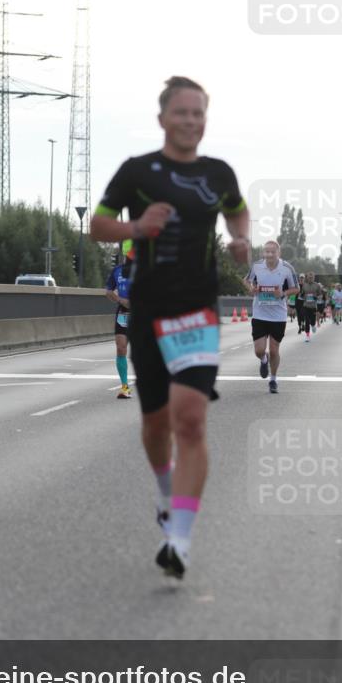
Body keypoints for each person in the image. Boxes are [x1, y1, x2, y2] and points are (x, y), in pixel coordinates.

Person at [90, 76, 249, 579]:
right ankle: (165, 492)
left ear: (206, 118)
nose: (190, 121)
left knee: (191, 419)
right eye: (181, 112)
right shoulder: (139, 172)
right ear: (163, 119)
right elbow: (97, 224)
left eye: (198, 112)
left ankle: (178, 538)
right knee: (157, 423)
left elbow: (238, 214)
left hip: (197, 312)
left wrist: (241, 241)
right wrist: (136, 228)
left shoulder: (218, 173)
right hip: (148, 313)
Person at [244, 240, 297, 394]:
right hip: (260, 314)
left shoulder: (287, 268)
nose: (269, 254)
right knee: (259, 351)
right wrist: (251, 289)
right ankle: (263, 360)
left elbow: (296, 288)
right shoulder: (257, 266)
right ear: (263, 253)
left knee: (274, 351)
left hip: (278, 316)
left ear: (278, 253)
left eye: (272, 252)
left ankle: (273, 379)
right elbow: (246, 281)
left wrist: (283, 293)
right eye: (266, 251)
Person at [105, 240, 136, 399]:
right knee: (121, 348)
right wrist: (120, 300)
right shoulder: (117, 271)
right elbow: (108, 291)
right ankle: (124, 387)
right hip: (123, 313)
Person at [300, 272, 324, 341]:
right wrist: (302, 296)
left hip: (313, 306)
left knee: (312, 321)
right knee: (307, 320)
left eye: (312, 277)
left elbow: (320, 295)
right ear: (307, 277)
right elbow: (301, 294)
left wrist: (316, 297)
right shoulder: (304, 285)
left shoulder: (317, 285)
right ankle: (307, 336)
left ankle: (313, 325)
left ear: (314, 277)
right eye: (309, 277)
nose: (310, 278)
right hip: (305, 306)